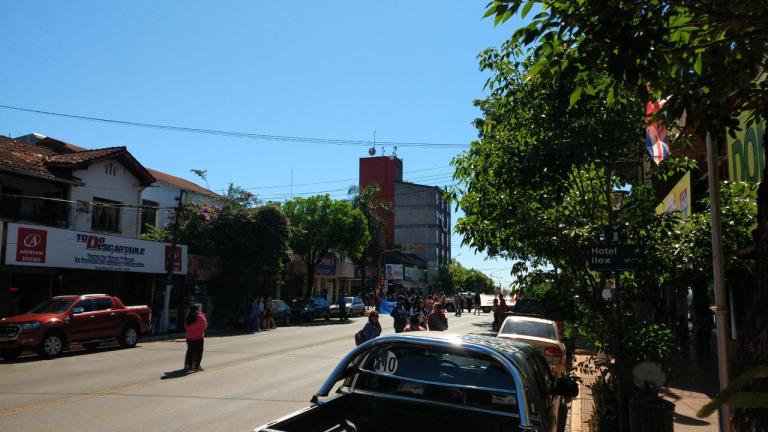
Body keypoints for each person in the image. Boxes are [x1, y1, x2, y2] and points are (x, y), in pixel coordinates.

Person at [184, 303, 207, 372]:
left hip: (190, 338)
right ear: (197, 310)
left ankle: (190, 366)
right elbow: (205, 326)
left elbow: (185, 327)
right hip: (199, 338)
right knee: (199, 352)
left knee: (190, 352)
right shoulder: (200, 317)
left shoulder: (188, 318)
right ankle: (197, 366)